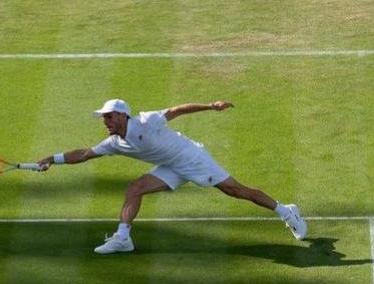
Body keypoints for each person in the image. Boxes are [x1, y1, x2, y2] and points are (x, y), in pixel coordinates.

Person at [37, 99, 308, 254]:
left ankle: (286, 212)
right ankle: (123, 238)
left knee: (236, 190)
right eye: (103, 119)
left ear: (122, 115)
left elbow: (177, 110)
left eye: (108, 117)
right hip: (171, 167)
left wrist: (212, 107)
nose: (105, 122)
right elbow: (83, 154)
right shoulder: (114, 144)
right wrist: (51, 159)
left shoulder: (146, 121)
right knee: (135, 187)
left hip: (192, 158)